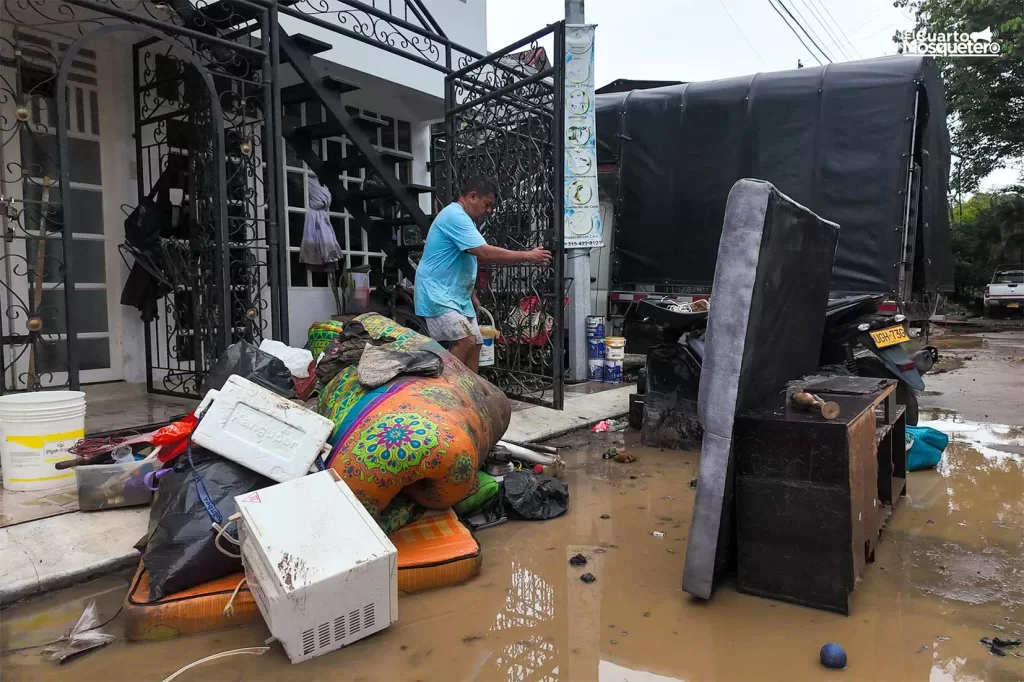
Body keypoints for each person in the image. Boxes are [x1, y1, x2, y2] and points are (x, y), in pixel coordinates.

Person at [415, 176, 552, 372]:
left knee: (477, 343)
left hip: (454, 296)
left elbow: (460, 258)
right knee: (466, 340)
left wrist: (470, 294)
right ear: (472, 197)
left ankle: (471, 396)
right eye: (487, 204)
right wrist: (528, 256)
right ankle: (450, 393)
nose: (488, 210)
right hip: (437, 295)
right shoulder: (455, 216)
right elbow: (485, 252)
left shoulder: (463, 218)